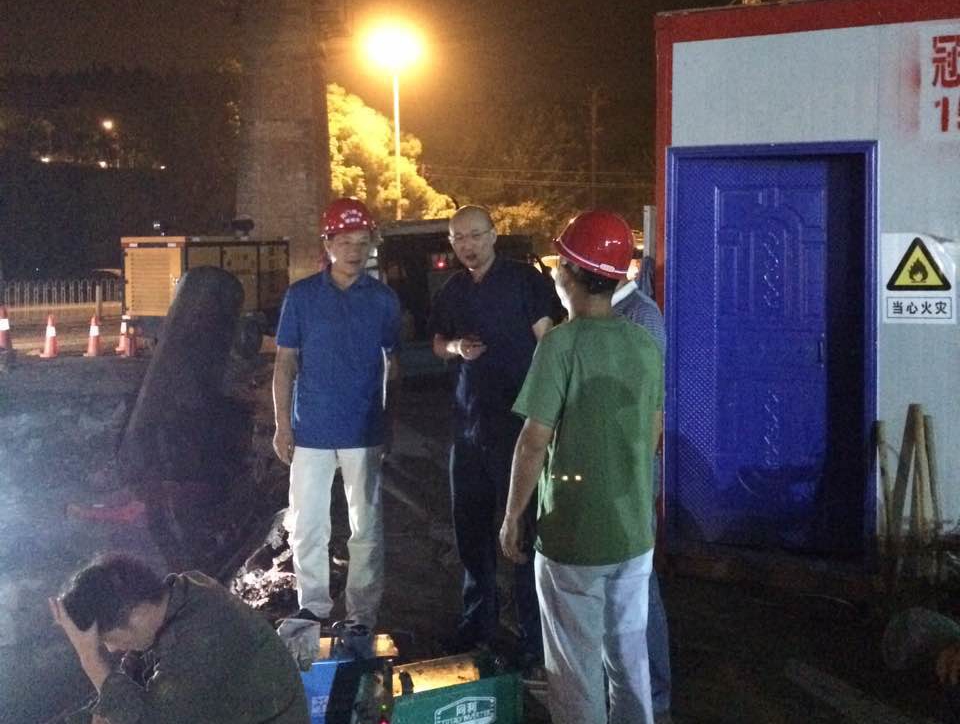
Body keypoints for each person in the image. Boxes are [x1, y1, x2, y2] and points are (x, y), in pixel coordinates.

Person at [500, 210, 664, 724]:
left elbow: (532, 443)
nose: (554, 272)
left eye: (559, 264)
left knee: (575, 670)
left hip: (573, 536)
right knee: (629, 655)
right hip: (633, 532)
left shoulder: (560, 345)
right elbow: (653, 431)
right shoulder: (643, 342)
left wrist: (512, 516)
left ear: (571, 274)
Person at [428, 205, 559, 665]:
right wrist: (456, 347)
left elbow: (548, 341)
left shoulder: (525, 281)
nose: (468, 245)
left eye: (475, 235)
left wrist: (548, 408)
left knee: (521, 534)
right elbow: (437, 343)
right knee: (471, 534)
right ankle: (476, 625)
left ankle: (533, 639)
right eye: (459, 238)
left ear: (493, 235)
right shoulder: (453, 289)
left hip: (518, 429)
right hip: (468, 429)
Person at [273, 197, 401, 627]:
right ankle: (313, 606)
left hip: (364, 430)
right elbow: (285, 362)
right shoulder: (301, 296)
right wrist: (282, 425)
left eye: (362, 242)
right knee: (307, 524)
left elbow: (392, 365)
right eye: (345, 242)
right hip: (310, 429)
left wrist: (388, 422)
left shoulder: (383, 300)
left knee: (366, 528)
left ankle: (362, 613)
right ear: (327, 244)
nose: (354, 251)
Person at [49, 553, 309, 724]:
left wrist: (91, 659)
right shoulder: (182, 592)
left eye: (108, 639)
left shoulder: (202, 637)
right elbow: (134, 673)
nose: (112, 648)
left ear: (136, 614)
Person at [612, 263, 672, 722]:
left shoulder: (639, 315)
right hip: (615, 472)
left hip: (629, 473)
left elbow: (643, 404)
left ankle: (654, 694)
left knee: (637, 587)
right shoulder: (614, 313)